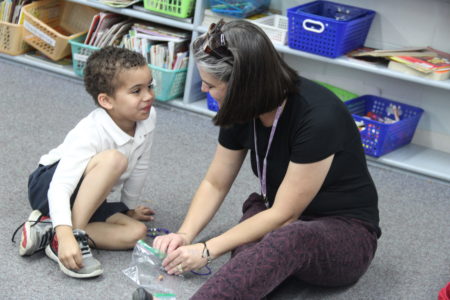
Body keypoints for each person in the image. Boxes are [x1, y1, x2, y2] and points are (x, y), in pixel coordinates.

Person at [152, 19, 381, 299]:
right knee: (252, 260)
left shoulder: (319, 117)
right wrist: (186, 236)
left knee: (287, 240)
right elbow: (215, 182)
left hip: (344, 230)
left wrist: (207, 249)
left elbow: (286, 215)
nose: (203, 90)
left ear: (240, 86)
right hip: (276, 212)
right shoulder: (242, 105)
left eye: (210, 85)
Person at [15, 46, 157, 279]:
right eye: (136, 91)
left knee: (137, 233)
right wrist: (68, 233)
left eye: (149, 85)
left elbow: (141, 164)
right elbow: (60, 186)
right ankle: (67, 237)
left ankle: (49, 231)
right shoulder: (91, 131)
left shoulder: (148, 116)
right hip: (49, 185)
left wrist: (128, 208)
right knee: (114, 159)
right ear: (106, 101)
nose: (148, 96)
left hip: (90, 194)